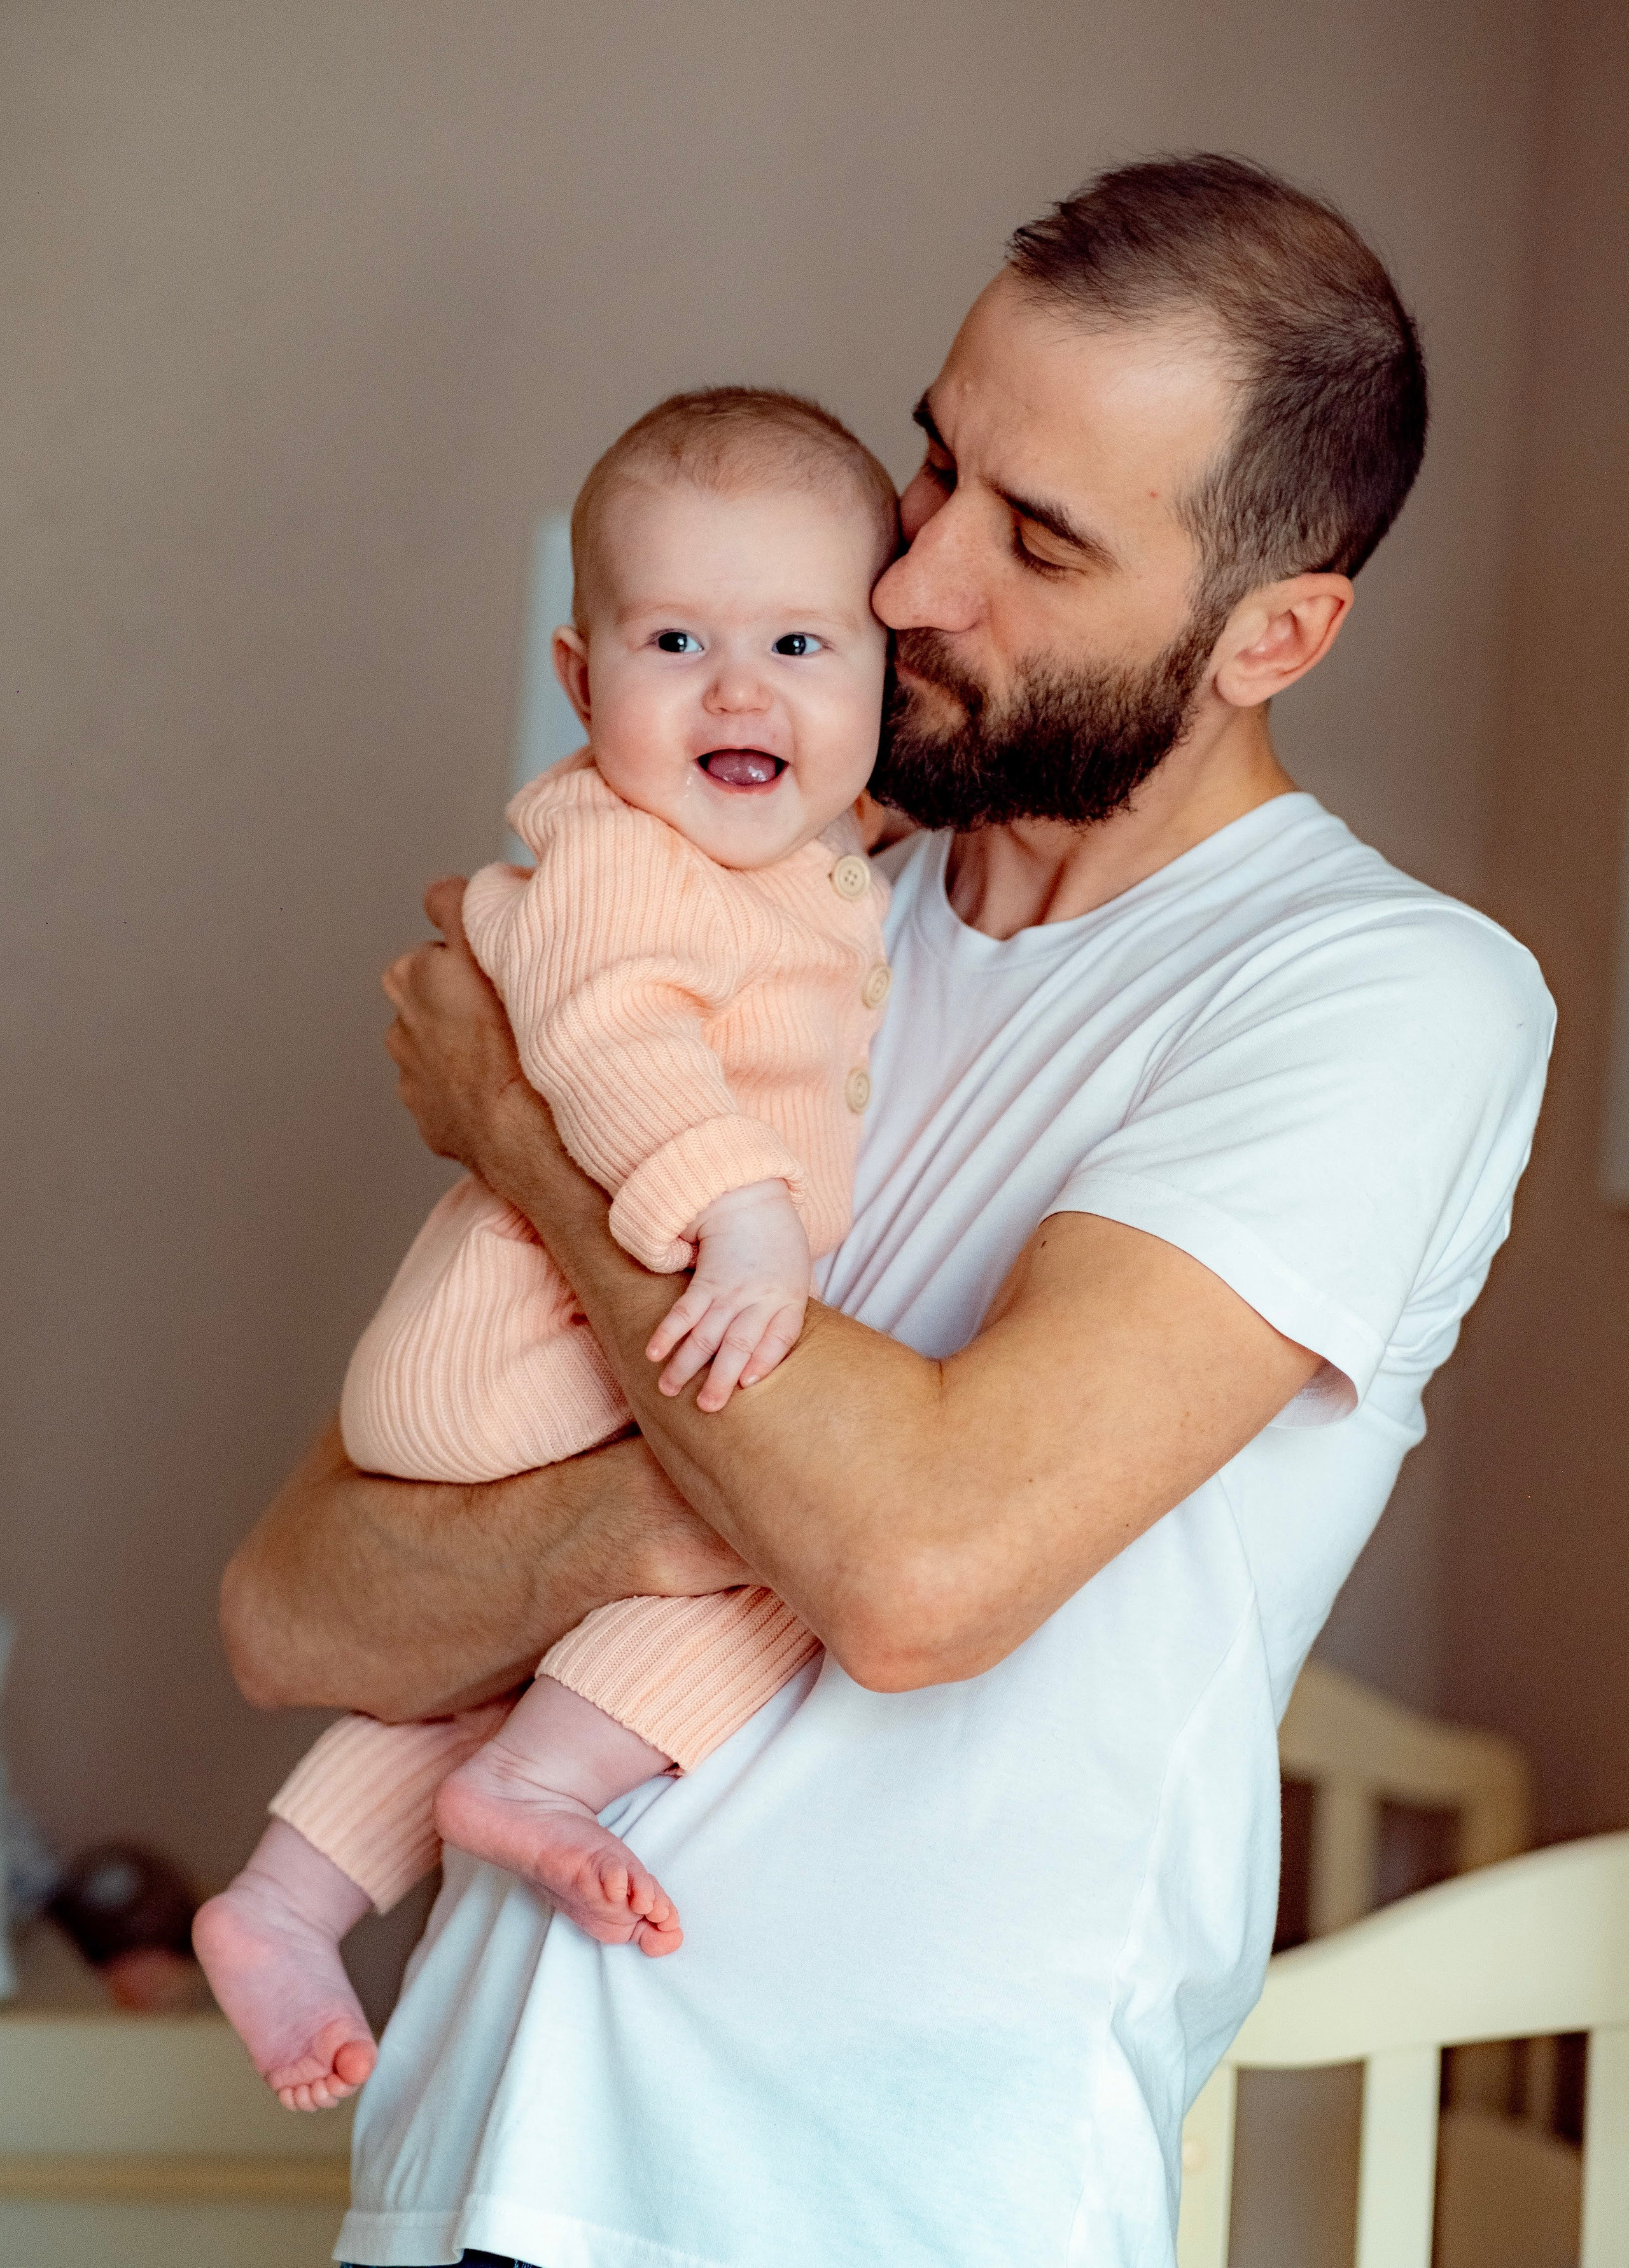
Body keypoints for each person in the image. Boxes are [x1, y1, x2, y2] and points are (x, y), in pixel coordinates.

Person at [223, 156, 1553, 2268]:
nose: (912, 576)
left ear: (1275, 635)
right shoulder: (757, 906)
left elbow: (919, 1574)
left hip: (871, 2206)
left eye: (1039, 538)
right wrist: (654, 1522)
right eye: (937, 464)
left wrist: (533, 1136)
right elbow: (291, 1613)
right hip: (462, 2163)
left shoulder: (1383, 996)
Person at [194, 388, 897, 2108]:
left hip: (510, 1358)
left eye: (799, 645)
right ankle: (540, 1787)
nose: (740, 692)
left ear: (883, 685)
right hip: (527, 1347)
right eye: (677, 642)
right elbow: (606, 1036)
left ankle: (286, 1901)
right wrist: (740, 1209)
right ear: (584, 683)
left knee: (501, 1645)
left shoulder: (783, 864)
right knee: (782, 1541)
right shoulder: (618, 855)